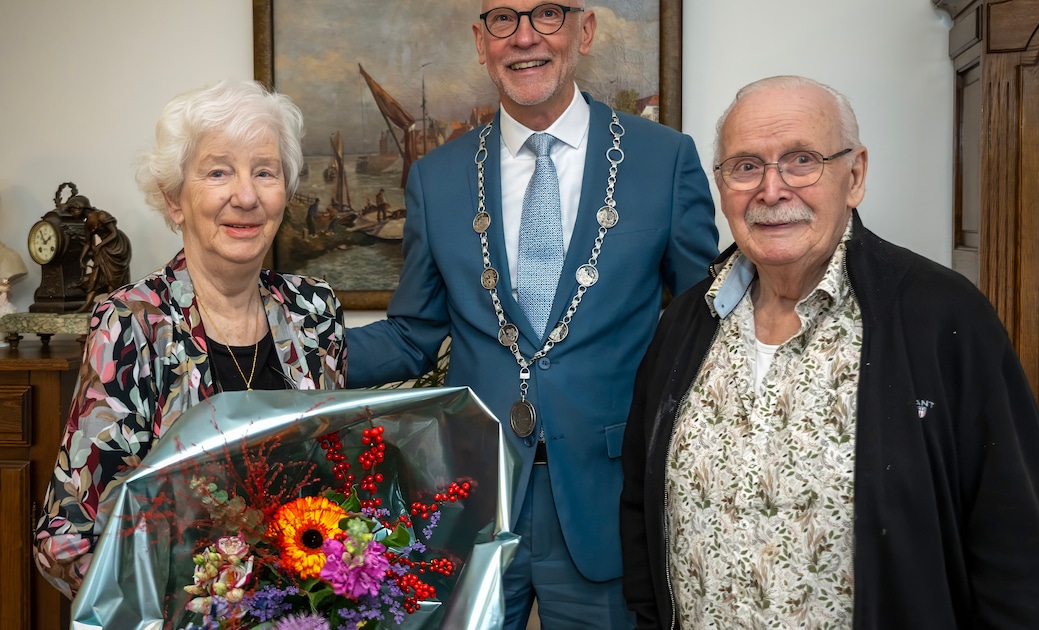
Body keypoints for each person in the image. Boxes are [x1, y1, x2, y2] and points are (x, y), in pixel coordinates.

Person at [620, 75, 1039, 629]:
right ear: (722, 185)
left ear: (855, 175)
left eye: (801, 161)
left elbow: (1022, 555)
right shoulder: (684, 326)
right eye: (746, 166)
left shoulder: (942, 318)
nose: (772, 190)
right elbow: (641, 513)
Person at [347, 1, 718, 627]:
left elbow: (703, 329)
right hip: (468, 508)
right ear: (479, 39)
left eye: (547, 14)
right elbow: (414, 334)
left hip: (607, 502)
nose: (524, 38)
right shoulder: (436, 178)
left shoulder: (664, 159)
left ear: (585, 29)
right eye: (502, 20)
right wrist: (288, 349)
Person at [33, 80, 347, 599]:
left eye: (264, 172)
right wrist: (184, 608)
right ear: (174, 200)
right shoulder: (132, 323)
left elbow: (333, 491)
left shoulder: (314, 312)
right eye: (218, 171)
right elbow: (65, 539)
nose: (245, 196)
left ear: (284, 194)